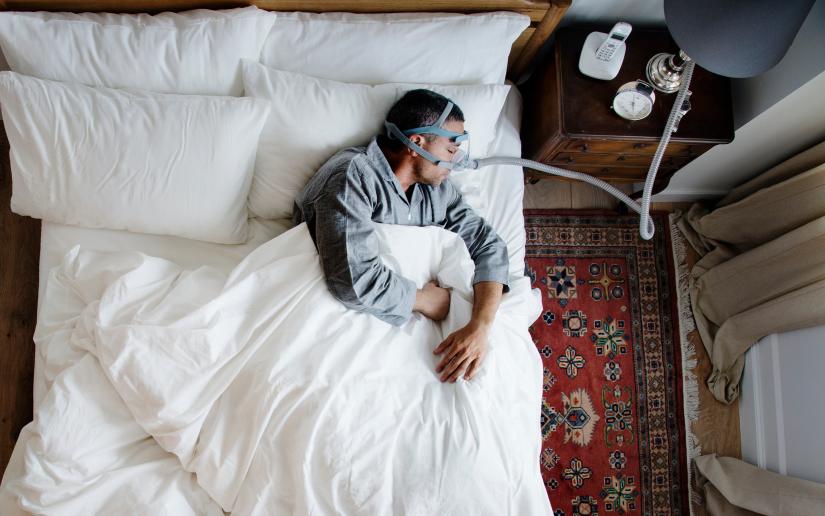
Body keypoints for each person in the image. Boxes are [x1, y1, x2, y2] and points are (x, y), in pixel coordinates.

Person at [293, 89, 509, 384]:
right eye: (451, 148)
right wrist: (425, 301)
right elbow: (353, 281)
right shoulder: (352, 177)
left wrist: (480, 325)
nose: (457, 159)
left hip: (413, 323)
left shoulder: (436, 190)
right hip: (341, 314)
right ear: (416, 143)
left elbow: (488, 245)